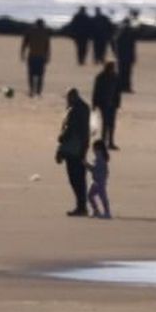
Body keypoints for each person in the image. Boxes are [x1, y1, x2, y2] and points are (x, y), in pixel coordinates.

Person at [55, 88, 90, 216]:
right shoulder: (84, 108)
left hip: (73, 150)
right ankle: (82, 206)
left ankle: (81, 207)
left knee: (75, 179)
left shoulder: (75, 110)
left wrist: (61, 138)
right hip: (81, 148)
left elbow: (70, 130)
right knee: (80, 179)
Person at [91, 60, 121, 150]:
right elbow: (96, 91)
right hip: (103, 104)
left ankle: (110, 142)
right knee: (106, 123)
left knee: (111, 123)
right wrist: (94, 103)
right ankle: (104, 142)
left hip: (112, 104)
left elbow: (117, 92)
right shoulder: (100, 77)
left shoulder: (115, 77)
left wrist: (118, 103)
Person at [20, 18, 52, 97]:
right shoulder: (45, 32)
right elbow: (47, 46)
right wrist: (48, 56)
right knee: (40, 75)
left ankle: (31, 90)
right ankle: (38, 91)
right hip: (41, 57)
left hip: (32, 56)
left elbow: (24, 44)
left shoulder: (30, 31)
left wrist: (22, 54)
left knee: (31, 74)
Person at [87, 139, 111, 218]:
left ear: (98, 149)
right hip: (97, 181)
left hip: (100, 182)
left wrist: (87, 165)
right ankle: (96, 211)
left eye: (94, 149)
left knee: (103, 197)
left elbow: (95, 170)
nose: (93, 151)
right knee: (90, 195)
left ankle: (107, 213)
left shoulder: (100, 159)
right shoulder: (99, 158)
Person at [115, 16, 138, 93]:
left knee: (122, 72)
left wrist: (116, 52)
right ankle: (126, 87)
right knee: (127, 73)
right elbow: (132, 46)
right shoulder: (130, 32)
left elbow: (115, 42)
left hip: (121, 56)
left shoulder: (120, 32)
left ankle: (122, 87)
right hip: (127, 56)